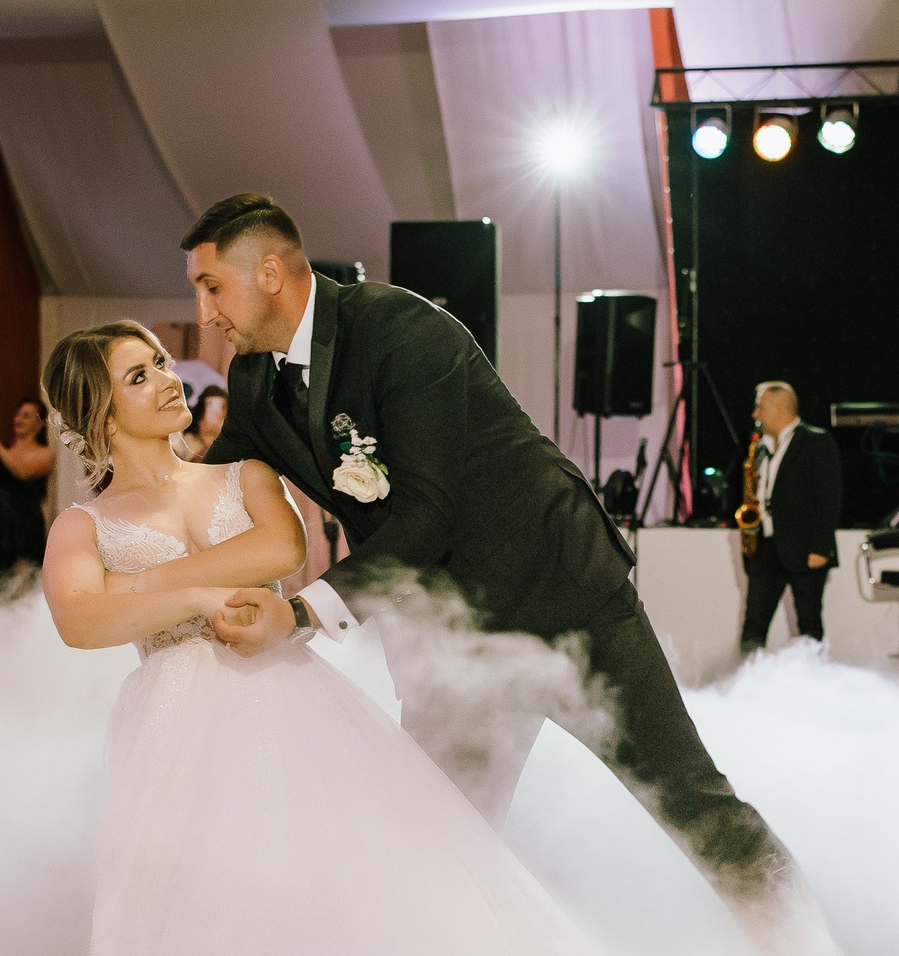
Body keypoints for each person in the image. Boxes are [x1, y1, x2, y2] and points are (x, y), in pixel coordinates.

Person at [40, 322, 625, 956]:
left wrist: (146, 586)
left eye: (163, 362)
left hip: (288, 705)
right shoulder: (82, 524)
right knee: (202, 916)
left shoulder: (243, 473)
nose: (171, 379)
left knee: (355, 891)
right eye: (141, 376)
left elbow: (282, 547)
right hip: (175, 728)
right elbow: (81, 617)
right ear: (99, 415)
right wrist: (207, 598)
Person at [183, 193, 796, 915]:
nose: (204, 314)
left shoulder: (404, 328)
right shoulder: (255, 379)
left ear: (273, 272)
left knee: (691, 802)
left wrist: (300, 614)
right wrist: (122, 512)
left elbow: (427, 514)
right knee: (435, 841)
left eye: (211, 286)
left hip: (562, 597)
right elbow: (205, 488)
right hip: (451, 642)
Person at [738, 381, 842, 653]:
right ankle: (747, 680)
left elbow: (829, 499)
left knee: (808, 622)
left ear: (779, 408)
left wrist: (821, 547)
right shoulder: (760, 447)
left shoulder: (816, 441)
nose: (755, 415)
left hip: (806, 547)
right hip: (766, 547)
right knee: (754, 623)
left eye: (760, 408)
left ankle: (813, 680)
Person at [0, 399, 53, 587]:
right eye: (17, 415)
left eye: (26, 416)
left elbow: (22, 472)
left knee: (21, 586)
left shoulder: (45, 453)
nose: (18, 420)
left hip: (24, 527)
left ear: (39, 424)